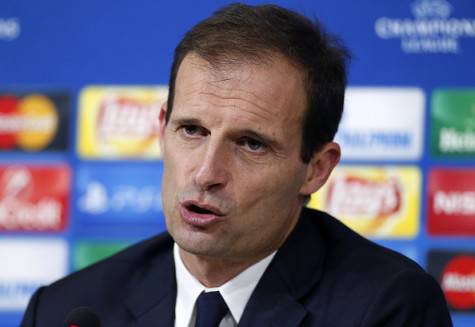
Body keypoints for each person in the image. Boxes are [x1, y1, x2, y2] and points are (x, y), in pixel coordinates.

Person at [21, 3, 452, 327]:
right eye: (191, 130)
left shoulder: (387, 308)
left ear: (316, 169)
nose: (206, 173)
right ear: (162, 128)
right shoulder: (65, 311)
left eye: (250, 144)